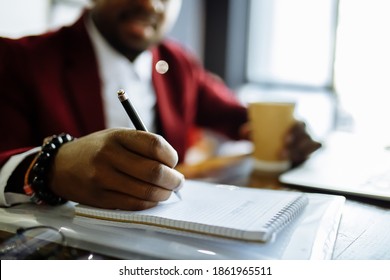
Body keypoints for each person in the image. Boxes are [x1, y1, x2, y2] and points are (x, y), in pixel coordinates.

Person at [0, 0, 321, 210]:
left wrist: (283, 135)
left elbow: (236, 117)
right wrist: (51, 168)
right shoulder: (19, 60)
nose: (150, 3)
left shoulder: (178, 63)